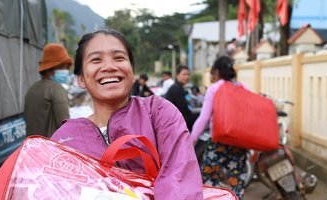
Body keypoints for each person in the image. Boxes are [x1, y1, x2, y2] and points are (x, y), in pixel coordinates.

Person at [51, 29, 203, 199]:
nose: (109, 66)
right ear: (81, 79)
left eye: (119, 58)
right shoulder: (63, 139)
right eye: (96, 59)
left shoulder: (158, 113)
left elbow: (180, 181)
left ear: (132, 71)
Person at [191, 56, 247, 199]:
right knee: (237, 180)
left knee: (209, 179)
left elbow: (204, 118)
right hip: (239, 142)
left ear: (216, 72)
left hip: (218, 142)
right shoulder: (243, 87)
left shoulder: (214, 89)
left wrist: (191, 140)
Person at [24, 43, 72, 137]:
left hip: (33, 148)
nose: (66, 71)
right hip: (51, 149)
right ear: (49, 69)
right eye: (62, 67)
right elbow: (64, 126)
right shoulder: (57, 89)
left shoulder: (31, 89)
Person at [164, 66, 197, 131]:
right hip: (175, 122)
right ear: (177, 76)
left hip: (177, 119)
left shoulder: (178, 87)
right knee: (201, 116)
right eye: (184, 74)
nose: (187, 77)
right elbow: (183, 110)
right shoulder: (176, 89)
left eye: (188, 75)